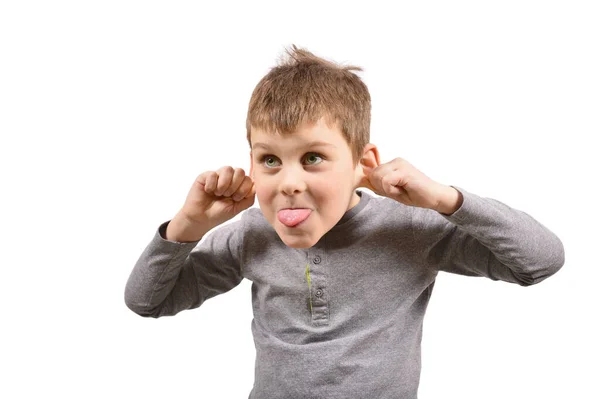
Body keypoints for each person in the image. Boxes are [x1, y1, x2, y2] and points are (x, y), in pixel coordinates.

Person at [124, 44, 565, 399]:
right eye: (270, 160)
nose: (289, 182)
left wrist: (444, 199)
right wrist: (187, 226)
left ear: (362, 163)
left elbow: (540, 261)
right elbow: (148, 301)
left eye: (313, 157)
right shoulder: (250, 234)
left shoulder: (410, 228)